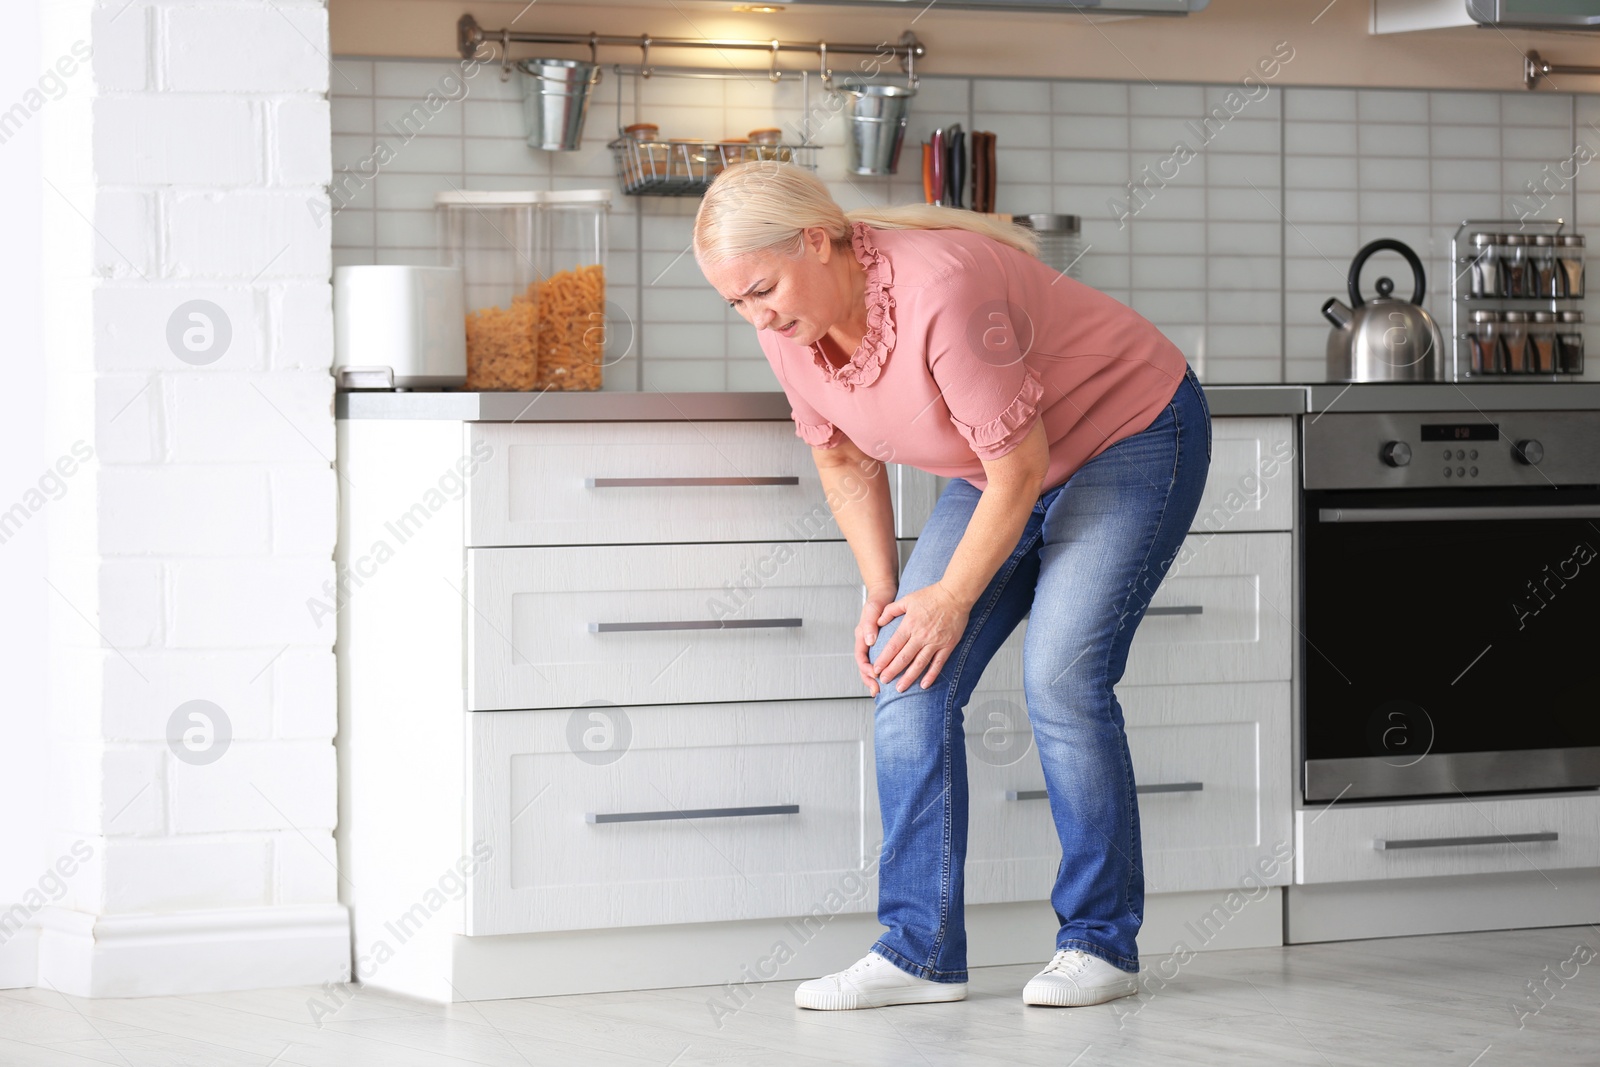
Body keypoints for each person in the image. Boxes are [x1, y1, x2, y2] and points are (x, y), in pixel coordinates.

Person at [692, 161, 1210, 1011]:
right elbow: (844, 459)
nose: (758, 315)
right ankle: (919, 950)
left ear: (816, 242)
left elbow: (1022, 469)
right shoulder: (788, 324)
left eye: (762, 289)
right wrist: (883, 592)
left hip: (1128, 432)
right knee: (906, 671)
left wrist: (950, 598)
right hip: (1001, 459)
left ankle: (1100, 943)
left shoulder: (944, 290)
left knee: (1061, 678)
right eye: (738, 303)